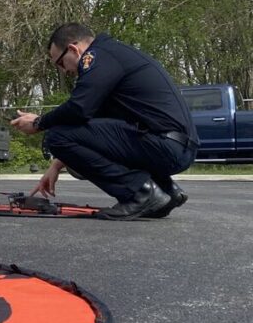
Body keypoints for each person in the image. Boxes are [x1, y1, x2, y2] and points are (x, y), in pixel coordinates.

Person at [10, 23, 199, 220]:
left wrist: (39, 123)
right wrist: (56, 165)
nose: (64, 71)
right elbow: (91, 127)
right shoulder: (113, 55)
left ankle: (141, 193)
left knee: (55, 135)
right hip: (177, 147)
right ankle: (166, 190)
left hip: (164, 145)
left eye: (61, 63)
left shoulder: (97, 57)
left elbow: (78, 109)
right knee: (63, 134)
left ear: (73, 49)